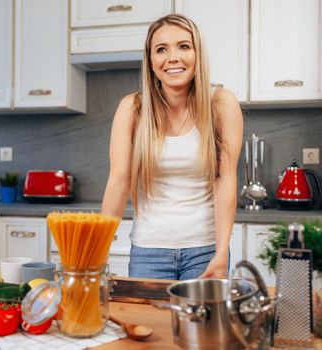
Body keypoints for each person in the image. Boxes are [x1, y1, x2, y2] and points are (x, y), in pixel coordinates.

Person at [101, 14, 243, 280]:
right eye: (161, 49)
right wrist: (98, 251)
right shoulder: (132, 108)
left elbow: (225, 180)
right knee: (148, 322)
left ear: (197, 54)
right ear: (151, 61)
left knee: (202, 323)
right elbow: (119, 181)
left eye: (184, 46)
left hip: (205, 251)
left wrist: (222, 252)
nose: (173, 57)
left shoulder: (221, 104)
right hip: (148, 252)